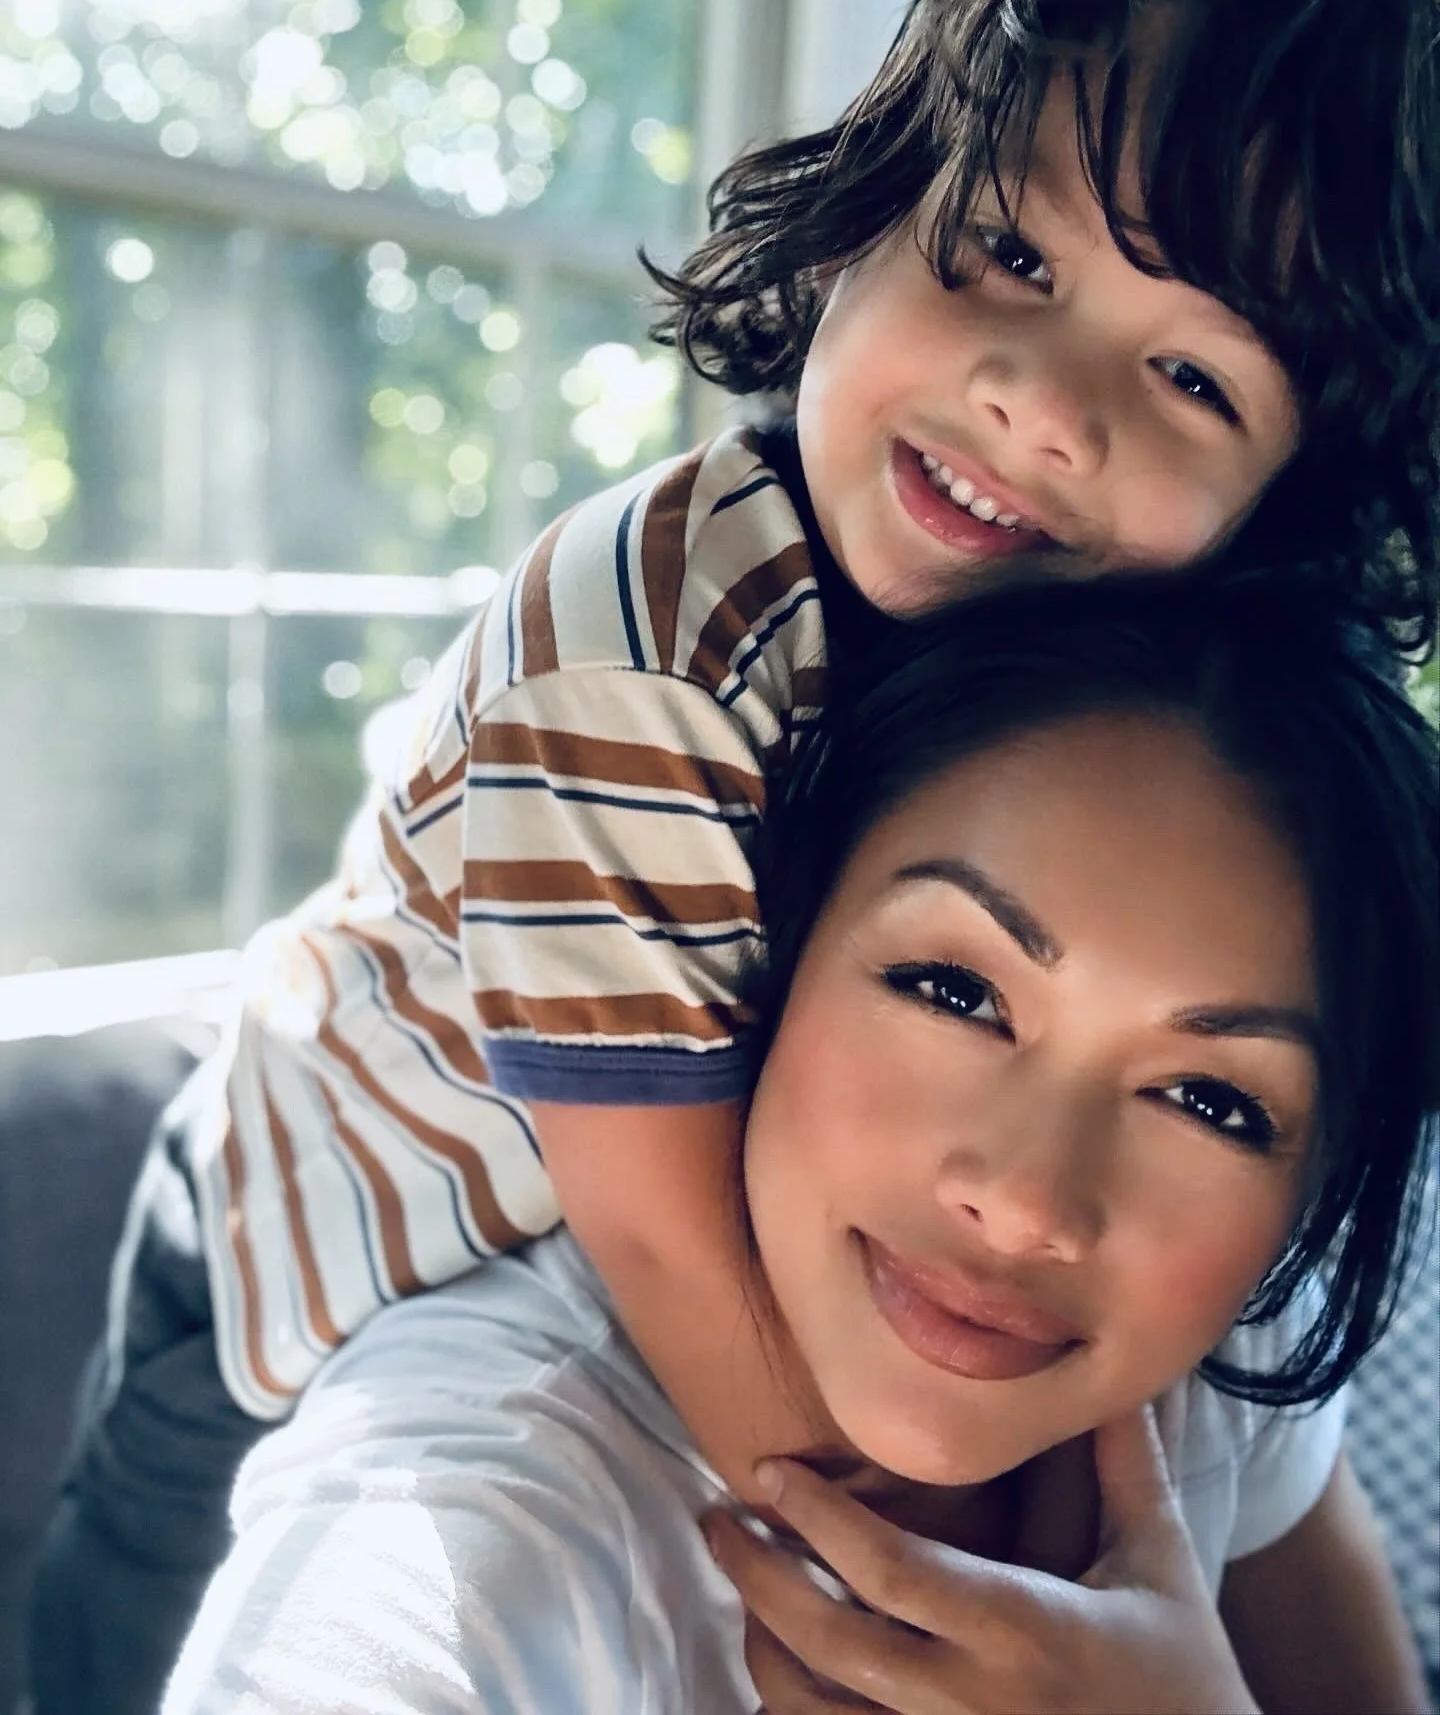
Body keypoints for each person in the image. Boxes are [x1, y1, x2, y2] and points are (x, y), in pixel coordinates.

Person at [30, 0, 1440, 1715]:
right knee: (111, 1641)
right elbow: (661, 1246)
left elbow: (1285, 1506)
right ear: (859, 220)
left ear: (1285, 512)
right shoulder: (639, 646)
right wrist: (897, 1609)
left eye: (1189, 375)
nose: (1042, 400)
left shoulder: (1104, 731)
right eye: (1010, 260)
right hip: (289, 1269)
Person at [160, 567, 1439, 1713]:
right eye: (956, 990)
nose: (1031, 1201)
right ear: (769, 958)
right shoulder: (481, 1506)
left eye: (1211, 1103)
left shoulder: (1216, 1359)